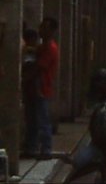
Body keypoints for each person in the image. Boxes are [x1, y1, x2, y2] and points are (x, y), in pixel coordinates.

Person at [33, 17, 59, 160]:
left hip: (43, 87)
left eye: (45, 28)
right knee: (38, 118)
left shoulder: (50, 48)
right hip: (40, 87)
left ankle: (46, 149)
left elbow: (40, 67)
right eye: (41, 27)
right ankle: (35, 147)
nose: (41, 30)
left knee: (43, 120)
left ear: (52, 31)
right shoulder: (43, 46)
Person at [21, 29, 40, 158]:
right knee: (31, 119)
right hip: (30, 90)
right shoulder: (29, 51)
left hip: (33, 90)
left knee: (34, 119)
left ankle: (32, 146)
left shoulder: (33, 53)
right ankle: (30, 145)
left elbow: (33, 70)